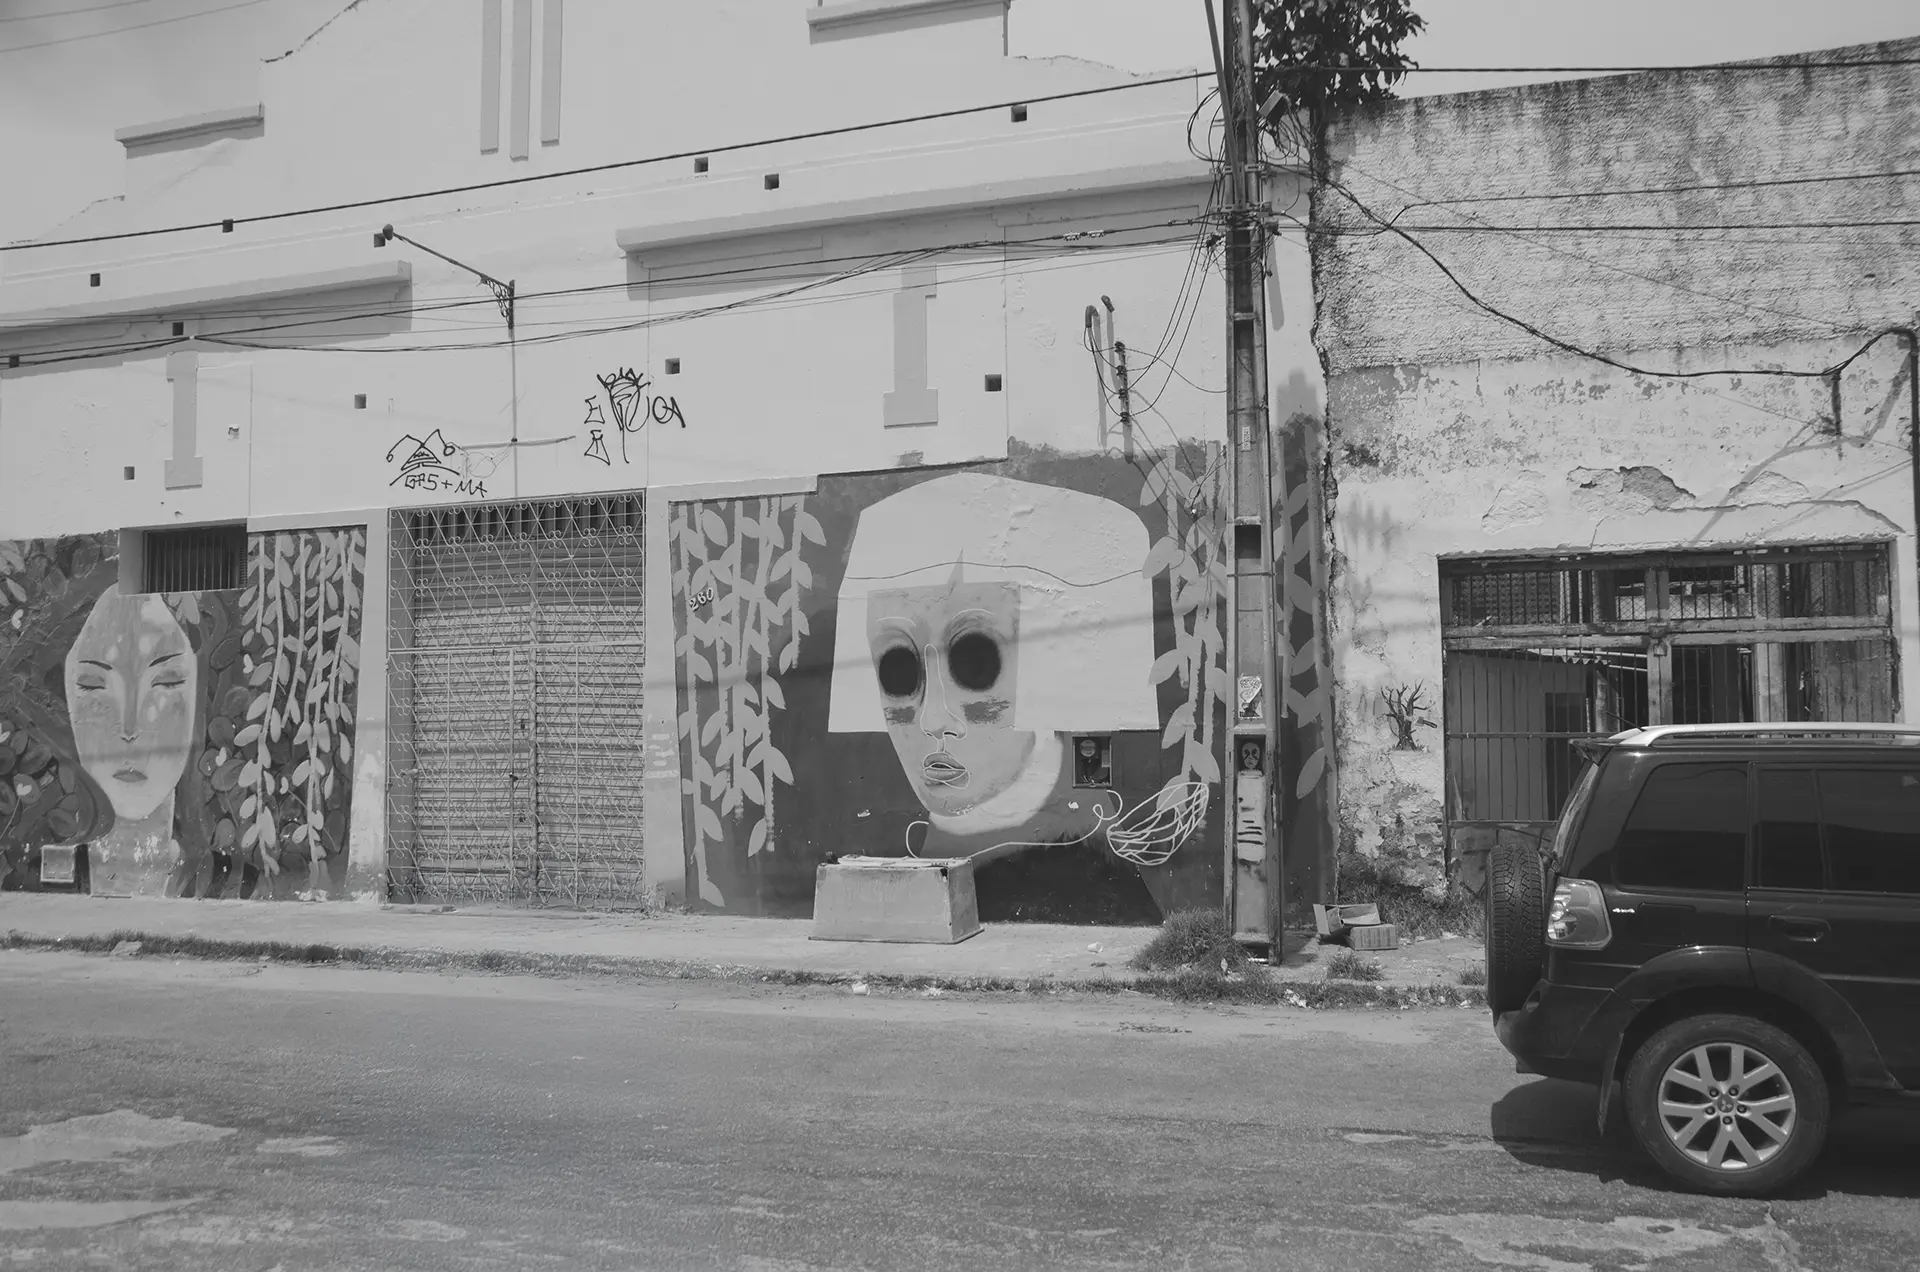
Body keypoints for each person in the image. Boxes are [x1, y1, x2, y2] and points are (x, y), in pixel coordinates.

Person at [828, 472, 1159, 862]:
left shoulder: (1093, 851)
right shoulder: (890, 850)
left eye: (975, 665)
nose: (933, 719)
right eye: (898, 670)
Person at [61, 585, 198, 894]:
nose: (129, 727)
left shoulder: (235, 883)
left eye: (168, 681)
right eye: (93, 685)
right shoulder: (40, 881)